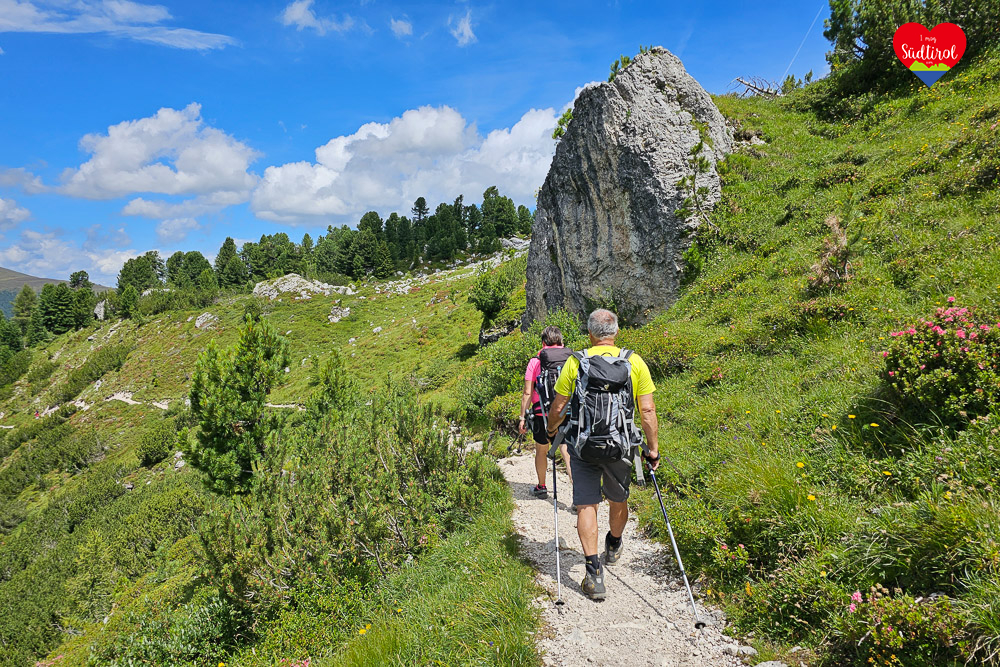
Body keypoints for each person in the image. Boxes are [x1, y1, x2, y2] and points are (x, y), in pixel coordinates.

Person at [546, 308, 660, 600]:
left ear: (590, 334)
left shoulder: (575, 362)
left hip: (583, 446)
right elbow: (647, 410)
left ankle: (594, 573)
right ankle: (614, 543)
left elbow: (558, 406)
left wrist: (551, 431)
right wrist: (653, 449)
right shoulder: (634, 362)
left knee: (586, 503)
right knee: (618, 498)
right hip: (620, 446)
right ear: (616, 332)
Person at [518, 325, 573, 499]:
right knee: (567, 449)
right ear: (561, 341)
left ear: (543, 342)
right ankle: (578, 494)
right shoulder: (571, 359)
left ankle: (541, 487)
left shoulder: (535, 361)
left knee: (541, 449)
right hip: (567, 411)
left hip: (542, 413)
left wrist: (522, 417)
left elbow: (527, 393)